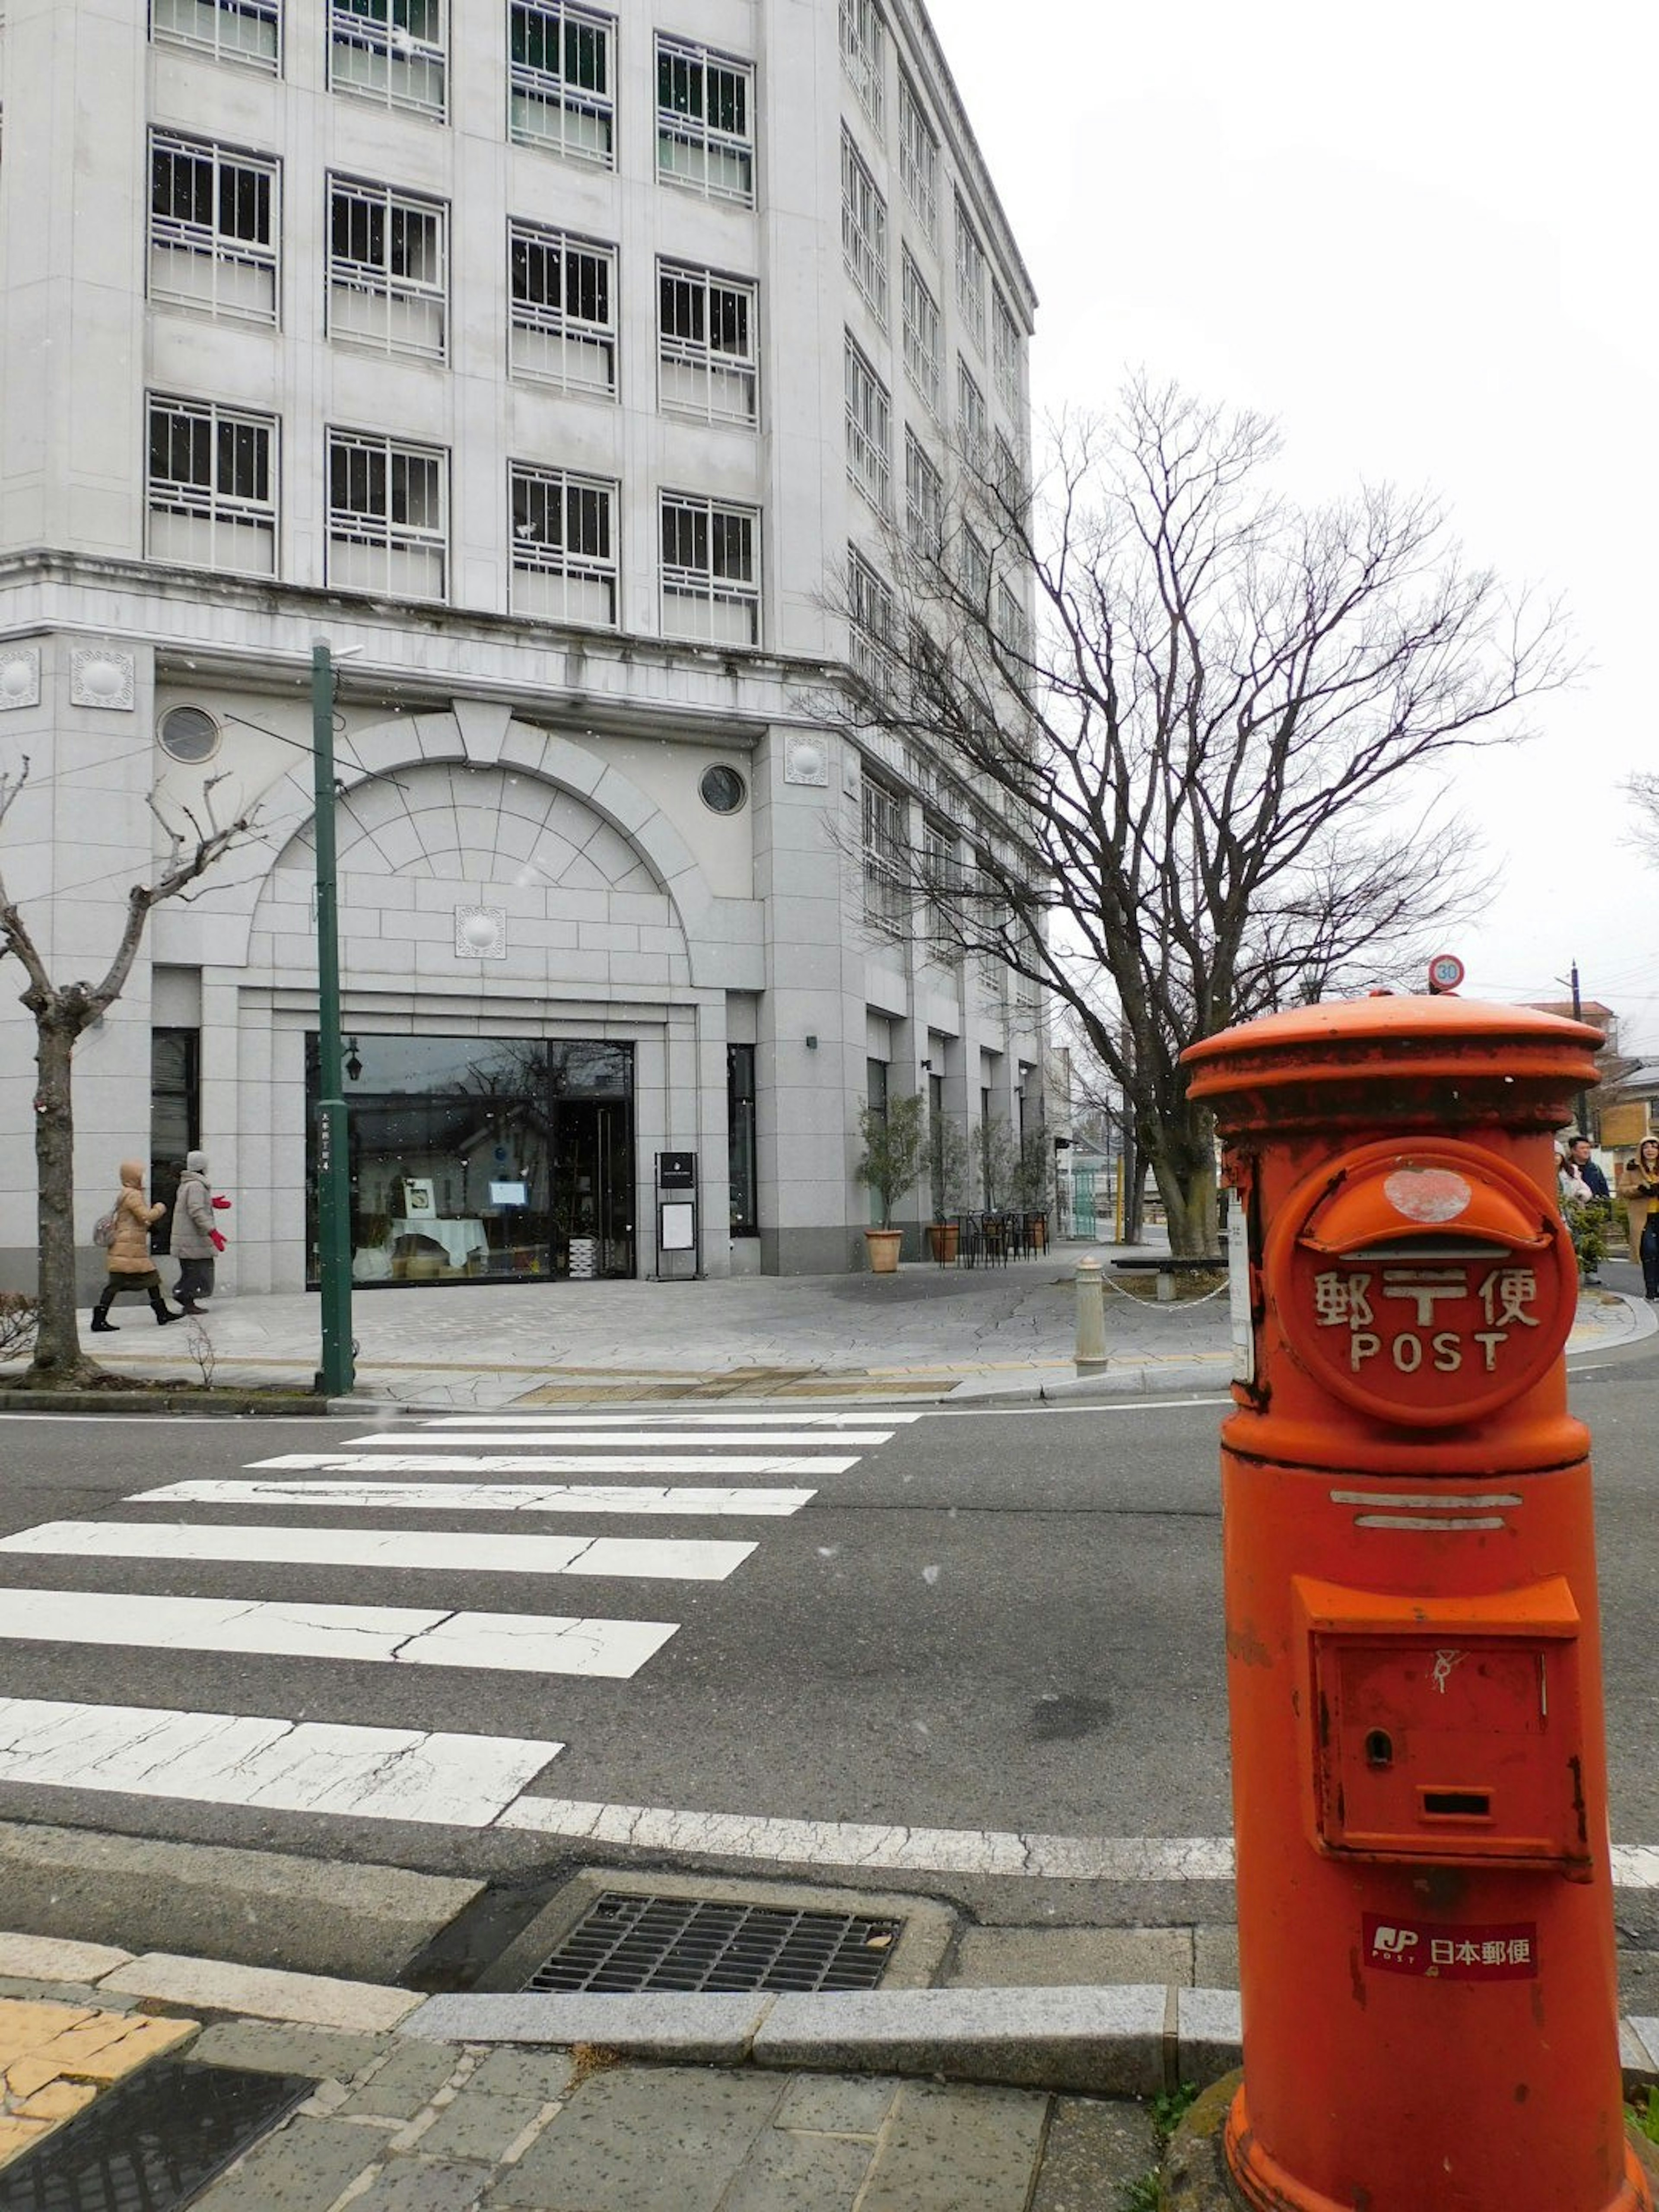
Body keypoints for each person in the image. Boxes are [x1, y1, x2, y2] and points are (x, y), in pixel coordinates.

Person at [90, 1160, 181, 1331]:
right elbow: (145, 1214)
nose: (144, 1178)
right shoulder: (133, 1194)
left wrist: (148, 1227)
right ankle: (99, 1320)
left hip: (130, 1247)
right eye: (141, 1174)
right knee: (116, 1284)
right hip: (127, 1248)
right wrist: (160, 1208)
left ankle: (162, 1313)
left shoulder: (126, 1193)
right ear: (134, 1177)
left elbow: (133, 1219)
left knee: (152, 1278)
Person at [168, 1148, 228, 1315]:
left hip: (188, 1240)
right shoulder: (196, 1185)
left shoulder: (188, 1183)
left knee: (191, 1272)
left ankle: (186, 1299)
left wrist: (211, 1202)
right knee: (198, 1273)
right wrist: (212, 1231)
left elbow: (193, 1205)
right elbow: (196, 1210)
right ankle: (184, 1297)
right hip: (193, 1240)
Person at [1618, 1138, 1659, 1299]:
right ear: (1641, 1150)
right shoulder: (1633, 1169)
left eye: (1654, 1147)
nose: (1650, 1150)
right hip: (1643, 1217)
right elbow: (1622, 1190)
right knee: (1650, 1251)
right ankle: (1651, 1290)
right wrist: (1640, 1189)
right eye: (1646, 1147)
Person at [1567, 1135, 1611, 1203]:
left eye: (1588, 1148)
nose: (1586, 1151)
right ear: (1573, 1151)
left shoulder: (1595, 1169)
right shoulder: (1566, 1170)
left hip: (1595, 1210)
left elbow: (1605, 1194)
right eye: (1582, 1148)